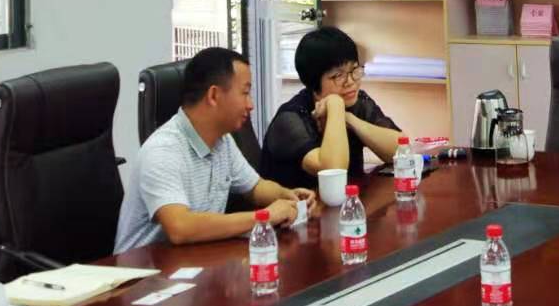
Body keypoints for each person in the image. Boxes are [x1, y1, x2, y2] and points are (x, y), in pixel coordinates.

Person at [115, 47, 315, 253]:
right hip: (141, 269)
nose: (251, 105)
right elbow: (180, 227)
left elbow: (255, 188)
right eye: (245, 93)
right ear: (213, 95)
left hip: (193, 260)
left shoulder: (222, 141)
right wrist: (264, 217)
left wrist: (287, 196)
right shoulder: (163, 150)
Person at [261, 27, 404, 191]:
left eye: (354, 70)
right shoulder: (290, 119)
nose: (350, 82)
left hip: (348, 202)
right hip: (300, 206)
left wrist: (349, 119)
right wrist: (335, 105)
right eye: (338, 75)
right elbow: (334, 172)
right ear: (313, 84)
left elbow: (401, 151)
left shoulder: (356, 102)